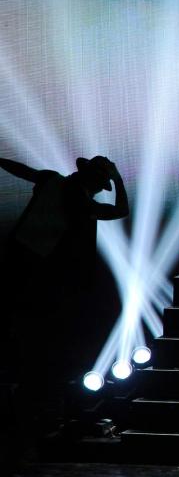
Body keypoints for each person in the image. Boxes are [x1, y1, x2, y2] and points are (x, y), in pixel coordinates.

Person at [0, 155, 127, 448]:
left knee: (37, 349)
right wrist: (117, 178)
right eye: (99, 183)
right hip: (46, 282)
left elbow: (23, 170)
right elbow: (120, 210)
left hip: (34, 276)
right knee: (45, 351)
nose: (98, 189)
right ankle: (35, 415)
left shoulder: (57, 184)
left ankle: (33, 414)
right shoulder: (77, 200)